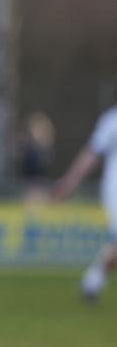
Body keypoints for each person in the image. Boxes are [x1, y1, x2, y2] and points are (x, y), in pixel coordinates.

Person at [52, 106, 117, 301]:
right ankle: (92, 281)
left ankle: (92, 281)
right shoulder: (112, 120)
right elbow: (91, 153)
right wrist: (69, 182)